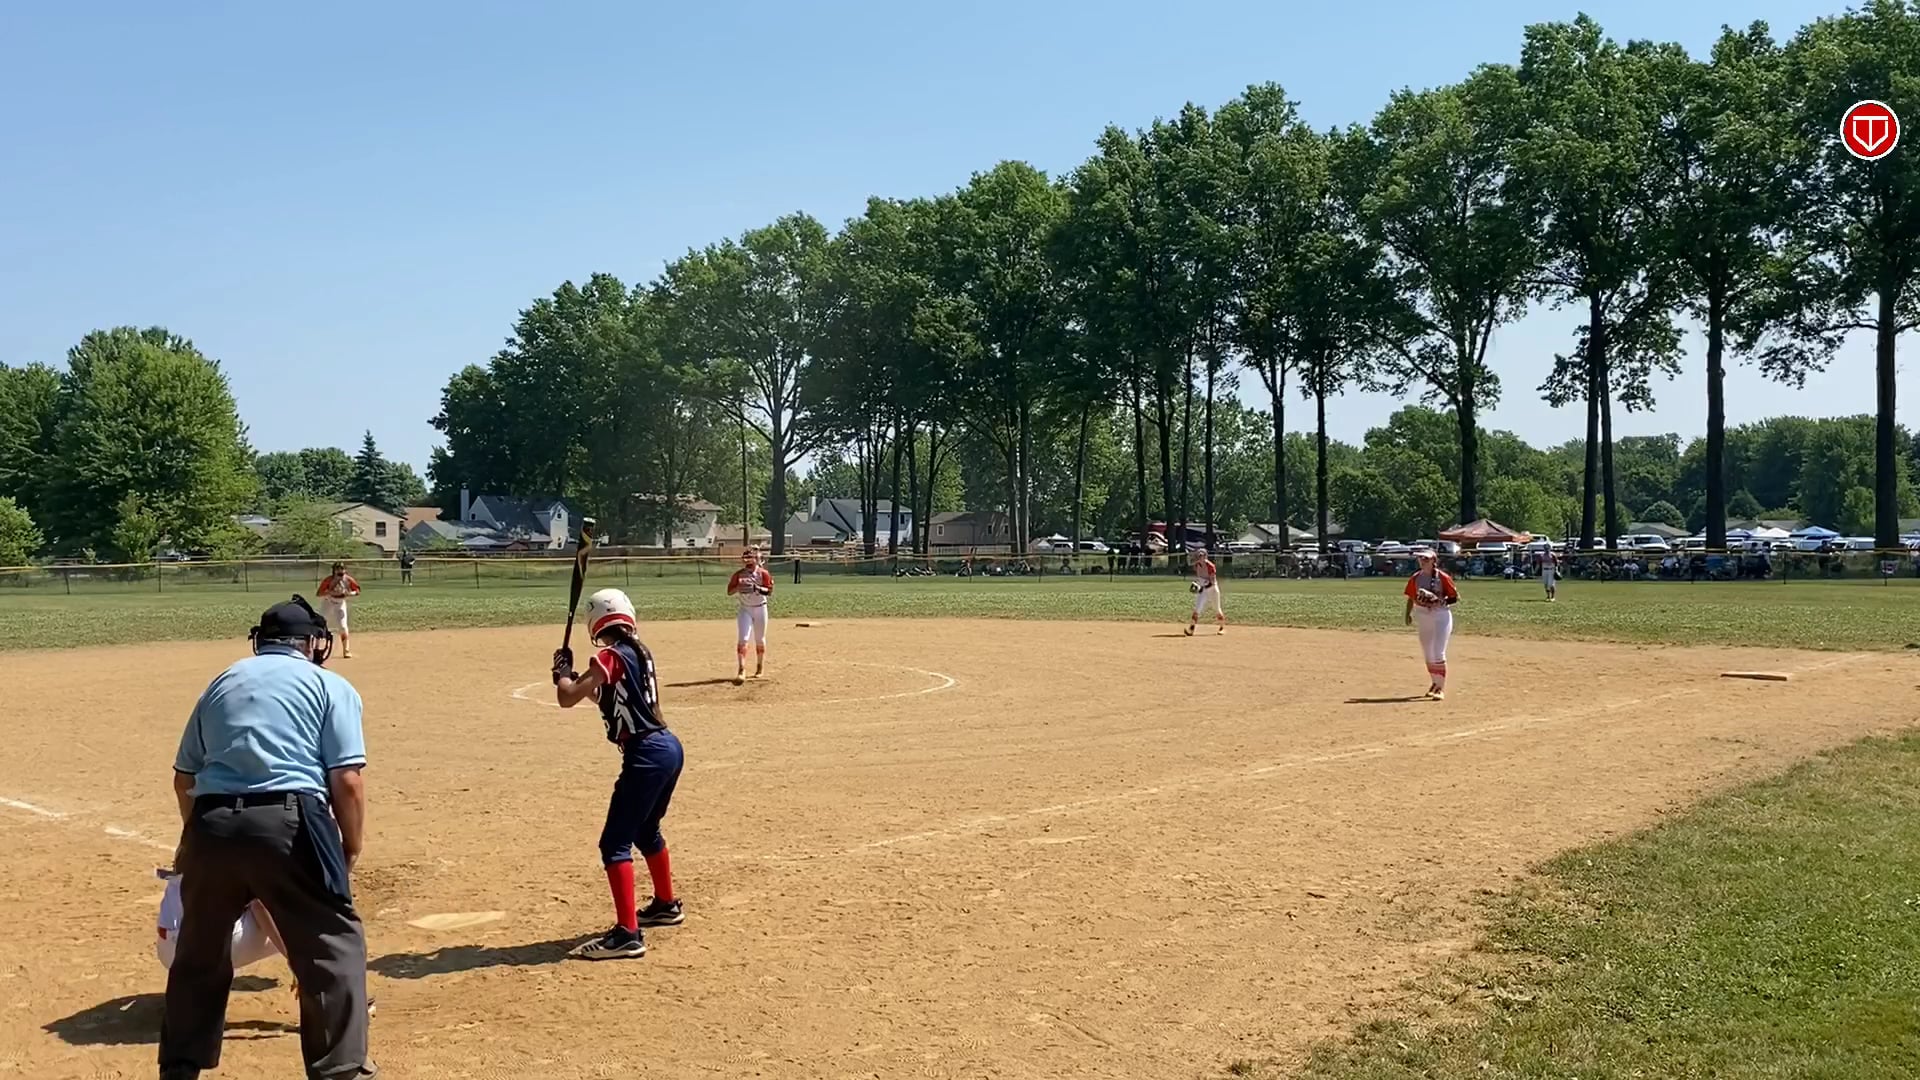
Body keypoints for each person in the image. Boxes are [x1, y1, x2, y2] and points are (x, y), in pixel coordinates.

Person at [162, 595, 373, 1080]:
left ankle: (179, 1068)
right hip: (290, 821)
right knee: (332, 946)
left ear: (262, 641)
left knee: (198, 953)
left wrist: (196, 840)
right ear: (311, 643)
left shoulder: (222, 682)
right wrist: (351, 845)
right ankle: (341, 1071)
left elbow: (183, 778)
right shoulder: (328, 684)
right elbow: (347, 779)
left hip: (211, 823)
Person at [551, 589, 686, 961]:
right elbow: (607, 698)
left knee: (614, 844)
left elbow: (566, 697)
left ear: (596, 624)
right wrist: (572, 677)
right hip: (668, 747)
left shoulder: (610, 655)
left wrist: (562, 676)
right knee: (646, 830)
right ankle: (665, 905)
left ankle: (628, 934)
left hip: (645, 754)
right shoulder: (637, 652)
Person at [1403, 549, 1460, 700]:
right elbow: (1411, 597)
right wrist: (1408, 614)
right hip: (1423, 615)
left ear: (1434, 561)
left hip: (1440, 615)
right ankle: (1435, 683)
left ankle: (1440, 688)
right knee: (1428, 653)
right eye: (1421, 559)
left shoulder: (1442, 577)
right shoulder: (1416, 578)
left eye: (1426, 559)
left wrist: (1439, 600)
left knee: (1438, 652)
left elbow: (1454, 597)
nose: (1423, 561)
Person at [725, 548, 774, 684]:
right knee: (743, 638)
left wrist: (756, 588)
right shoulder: (739, 574)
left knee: (760, 639)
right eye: (745, 559)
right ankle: (741, 669)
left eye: (750, 558)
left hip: (760, 608)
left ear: (755, 559)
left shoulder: (763, 573)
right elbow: (729, 591)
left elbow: (769, 591)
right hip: (745, 609)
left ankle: (759, 666)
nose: (747, 561)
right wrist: (738, 587)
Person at [316, 563, 360, 659]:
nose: (340, 571)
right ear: (334, 571)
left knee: (343, 627)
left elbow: (357, 590)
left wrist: (350, 593)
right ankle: (315, 647)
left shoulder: (348, 580)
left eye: (342, 569)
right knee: (320, 623)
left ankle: (346, 650)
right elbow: (319, 593)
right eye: (338, 569)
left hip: (340, 603)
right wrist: (329, 592)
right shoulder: (329, 580)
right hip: (328, 602)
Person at [1184, 543, 1225, 636]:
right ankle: (1191, 629)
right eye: (1198, 556)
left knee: (1217, 609)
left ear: (1206, 556)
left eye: (1202, 556)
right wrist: (1197, 585)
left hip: (1212, 589)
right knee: (1197, 609)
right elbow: (1200, 578)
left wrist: (1201, 587)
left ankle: (1222, 627)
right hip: (1203, 590)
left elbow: (1212, 582)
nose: (1200, 557)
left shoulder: (1210, 566)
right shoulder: (1197, 565)